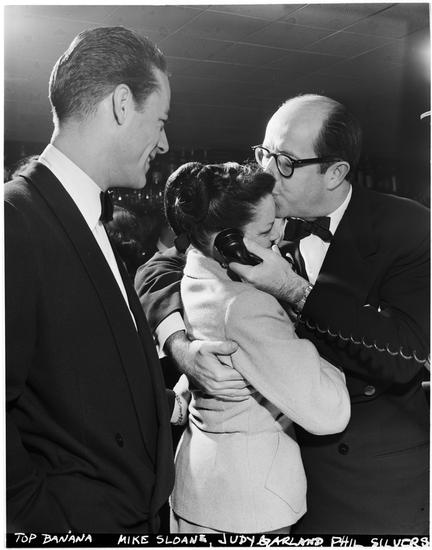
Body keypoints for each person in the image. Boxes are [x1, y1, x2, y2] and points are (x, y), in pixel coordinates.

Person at [135, 94, 430, 535]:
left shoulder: (408, 226)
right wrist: (180, 346)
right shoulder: (260, 207)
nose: (266, 172)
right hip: (271, 479)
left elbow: (404, 354)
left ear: (335, 172)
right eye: (263, 153)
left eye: (286, 161)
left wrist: (293, 290)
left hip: (368, 483)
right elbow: (156, 268)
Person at [5, 26, 187, 534]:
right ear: (122, 104)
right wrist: (45, 518)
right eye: (161, 121)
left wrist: (170, 402)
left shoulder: (87, 215)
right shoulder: (13, 220)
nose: (165, 142)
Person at [162, 161, 350, 534]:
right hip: (250, 505)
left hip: (203, 485)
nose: (280, 232)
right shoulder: (246, 304)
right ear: (228, 243)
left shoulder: (197, 268)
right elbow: (331, 412)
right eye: (266, 229)